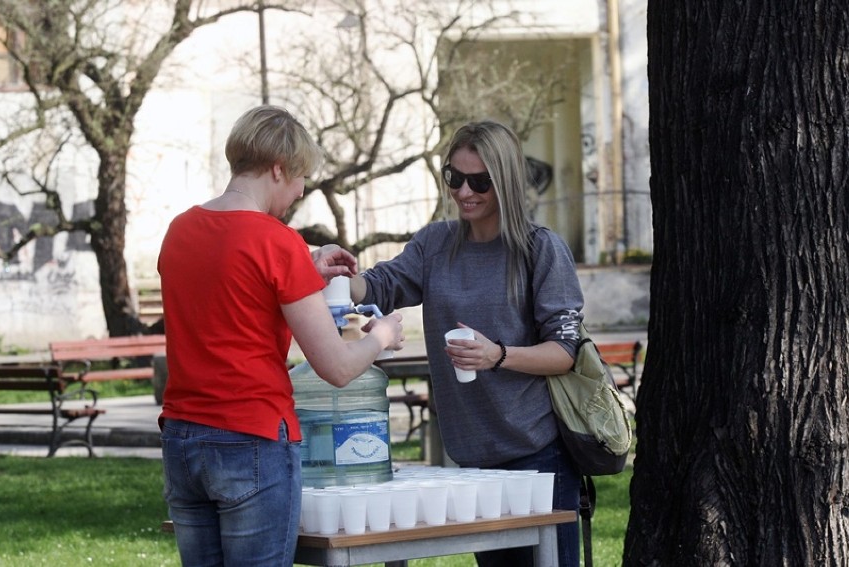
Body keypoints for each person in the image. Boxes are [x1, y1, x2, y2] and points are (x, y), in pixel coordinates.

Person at [157, 105, 404, 567]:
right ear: (277, 169)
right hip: (251, 439)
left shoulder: (180, 230)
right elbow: (335, 367)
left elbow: (231, 290)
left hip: (183, 438)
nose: (299, 191)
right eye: (299, 179)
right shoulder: (278, 241)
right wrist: (382, 336)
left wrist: (303, 270)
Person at [350, 119, 584, 566]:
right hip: (474, 460)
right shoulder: (435, 243)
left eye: (479, 181)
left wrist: (496, 355)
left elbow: (564, 353)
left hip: (538, 456)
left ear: (506, 182)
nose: (463, 192)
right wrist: (342, 279)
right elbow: (382, 285)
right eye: (454, 178)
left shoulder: (540, 249)